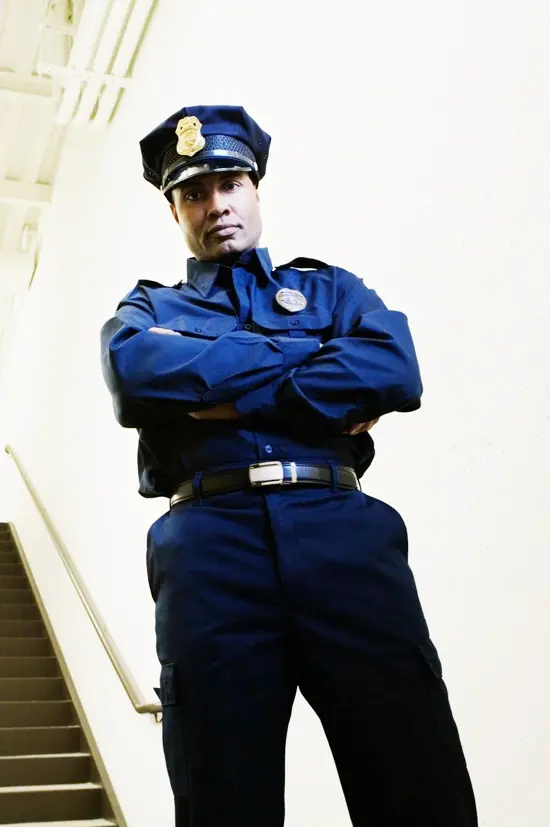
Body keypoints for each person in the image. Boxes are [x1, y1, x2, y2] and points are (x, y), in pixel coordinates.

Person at [100, 105, 477, 827]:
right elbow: (135, 380)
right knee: (222, 793)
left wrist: (218, 389)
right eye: (194, 193)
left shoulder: (331, 290)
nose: (216, 205)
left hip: (341, 532)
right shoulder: (148, 308)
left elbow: (395, 370)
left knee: (415, 775)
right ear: (175, 209)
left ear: (256, 188)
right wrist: (311, 369)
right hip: (211, 546)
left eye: (229, 183)